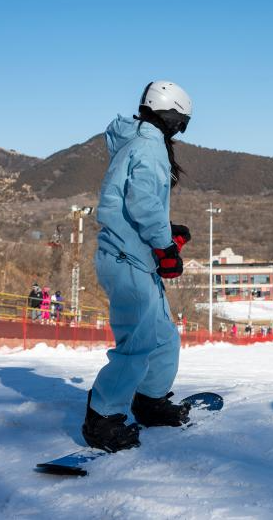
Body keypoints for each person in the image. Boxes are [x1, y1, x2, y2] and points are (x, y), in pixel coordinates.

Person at [82, 80, 195, 453]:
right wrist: (165, 245)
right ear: (171, 115)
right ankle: (102, 419)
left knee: (163, 337)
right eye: (181, 123)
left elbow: (133, 201)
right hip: (126, 257)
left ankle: (149, 401)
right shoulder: (149, 146)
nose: (180, 131)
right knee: (138, 343)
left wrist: (166, 232)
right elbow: (143, 202)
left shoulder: (140, 141)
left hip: (135, 256)